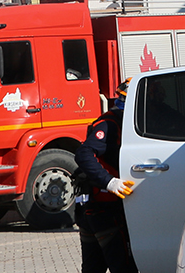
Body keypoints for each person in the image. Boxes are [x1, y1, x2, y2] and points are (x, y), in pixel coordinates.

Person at [74, 80, 137, 273]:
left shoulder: (121, 123)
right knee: (124, 267)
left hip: (92, 209)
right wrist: (109, 182)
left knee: (93, 268)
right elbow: (83, 154)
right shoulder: (110, 124)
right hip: (103, 209)